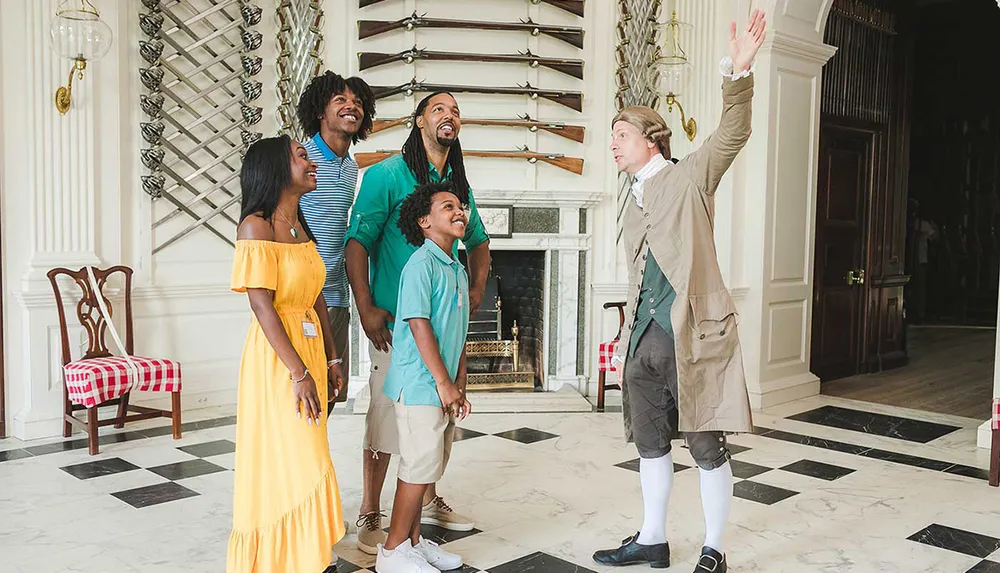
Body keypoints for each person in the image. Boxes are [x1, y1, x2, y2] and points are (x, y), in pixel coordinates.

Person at [593, 9, 766, 573]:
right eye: (612, 138)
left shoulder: (689, 175)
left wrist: (736, 73)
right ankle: (652, 539)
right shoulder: (631, 197)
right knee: (649, 445)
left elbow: (733, 132)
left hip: (691, 336)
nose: (613, 146)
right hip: (642, 342)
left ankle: (714, 548)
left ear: (653, 140)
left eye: (622, 136)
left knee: (706, 448)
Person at [345, 92, 490, 554]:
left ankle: (425, 502)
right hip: (396, 325)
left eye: (456, 110)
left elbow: (480, 241)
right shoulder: (385, 174)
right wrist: (366, 306)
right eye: (438, 109)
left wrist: (473, 292)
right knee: (390, 417)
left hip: (443, 330)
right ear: (419, 121)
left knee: (434, 425)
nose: (449, 116)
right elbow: (357, 242)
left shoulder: (457, 185)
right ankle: (372, 509)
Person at [227, 135, 347, 572]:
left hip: (311, 349)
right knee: (296, 452)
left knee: (308, 448)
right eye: (301, 155)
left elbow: (317, 296)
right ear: (276, 168)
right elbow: (261, 305)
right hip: (278, 360)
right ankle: (287, 557)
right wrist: (298, 373)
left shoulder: (302, 225)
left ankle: (306, 555)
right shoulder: (255, 227)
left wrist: (332, 360)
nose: (311, 160)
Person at [375, 181, 473, 573]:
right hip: (419, 383)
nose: (459, 211)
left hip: (441, 384)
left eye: (460, 206)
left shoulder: (456, 268)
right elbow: (419, 326)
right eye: (447, 207)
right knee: (417, 467)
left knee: (431, 463)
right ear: (424, 222)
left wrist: (459, 382)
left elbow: (459, 331)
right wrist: (443, 383)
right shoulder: (420, 264)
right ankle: (393, 550)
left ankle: (414, 542)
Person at [296, 71, 376, 411]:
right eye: (340, 100)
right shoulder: (301, 159)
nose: (351, 107)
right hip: (302, 298)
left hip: (336, 297)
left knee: (329, 396)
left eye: (358, 102)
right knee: (302, 399)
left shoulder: (350, 165)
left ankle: (318, 466)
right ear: (320, 110)